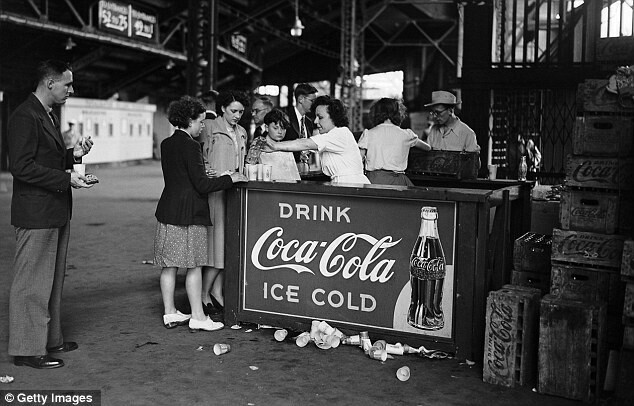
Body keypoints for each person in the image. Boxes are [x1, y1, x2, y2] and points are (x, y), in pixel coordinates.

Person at [7, 59, 94, 369]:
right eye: (67, 84)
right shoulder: (24, 116)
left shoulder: (47, 114)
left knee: (52, 280)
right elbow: (21, 167)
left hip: (54, 210)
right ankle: (27, 350)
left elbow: (46, 158)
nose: (71, 89)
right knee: (31, 282)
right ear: (49, 83)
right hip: (36, 213)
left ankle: (50, 339)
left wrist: (73, 156)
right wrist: (66, 178)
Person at [154, 95, 247, 333]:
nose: (203, 126)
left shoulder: (166, 144)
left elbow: (182, 177)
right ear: (189, 120)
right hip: (190, 213)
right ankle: (198, 316)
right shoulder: (191, 146)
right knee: (194, 266)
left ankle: (170, 312)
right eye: (200, 121)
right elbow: (202, 185)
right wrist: (230, 178)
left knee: (169, 266)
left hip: (168, 210)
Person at [200, 90, 249, 316]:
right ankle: (204, 293)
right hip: (215, 192)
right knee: (215, 245)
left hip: (234, 191)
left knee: (227, 244)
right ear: (222, 108)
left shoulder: (242, 132)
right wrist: (206, 170)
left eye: (241, 112)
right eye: (233, 111)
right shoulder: (209, 127)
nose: (237, 115)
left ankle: (216, 291)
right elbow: (198, 155)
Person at [263, 95, 369, 185]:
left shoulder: (340, 133)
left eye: (320, 117)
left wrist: (274, 146)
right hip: (343, 184)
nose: (315, 121)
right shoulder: (331, 136)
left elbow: (305, 144)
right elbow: (304, 144)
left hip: (351, 185)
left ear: (334, 117)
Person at [358, 98, 431, 186]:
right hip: (398, 181)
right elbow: (427, 147)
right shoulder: (406, 135)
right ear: (398, 113)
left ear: (376, 113)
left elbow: (358, 159)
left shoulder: (368, 134)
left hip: (374, 181)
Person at [246, 108, 301, 182]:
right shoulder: (259, 144)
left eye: (283, 128)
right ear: (266, 128)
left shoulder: (287, 145)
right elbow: (249, 169)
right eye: (275, 128)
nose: (280, 132)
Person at [283, 83, 318, 164]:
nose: (314, 105)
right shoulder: (285, 117)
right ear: (300, 99)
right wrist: (298, 155)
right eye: (312, 101)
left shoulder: (309, 122)